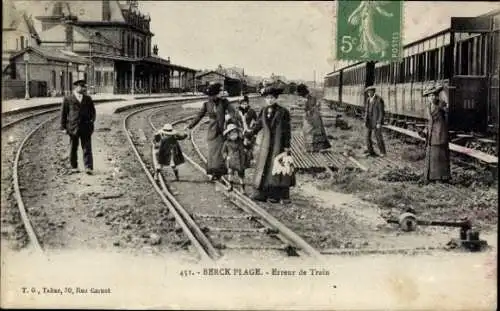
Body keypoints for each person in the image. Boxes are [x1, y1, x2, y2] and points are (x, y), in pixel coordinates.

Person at [247, 86, 295, 204]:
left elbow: (287, 130)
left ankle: (276, 196)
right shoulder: (263, 111)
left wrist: (287, 146)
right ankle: (261, 194)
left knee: (278, 169)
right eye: (267, 98)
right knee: (264, 168)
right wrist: (249, 133)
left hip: (278, 144)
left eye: (272, 98)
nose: (270, 100)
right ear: (265, 99)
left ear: (276, 98)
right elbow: (258, 125)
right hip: (266, 144)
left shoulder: (283, 112)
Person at [186, 82, 232, 180]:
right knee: (212, 152)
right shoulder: (207, 104)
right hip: (212, 131)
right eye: (219, 92)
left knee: (220, 152)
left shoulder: (224, 102)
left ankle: (219, 172)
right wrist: (190, 126)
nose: (221, 93)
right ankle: (213, 172)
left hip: (222, 130)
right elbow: (199, 116)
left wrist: (232, 123)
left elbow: (233, 113)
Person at [60, 79, 96, 175]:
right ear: (76, 87)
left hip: (86, 127)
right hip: (73, 127)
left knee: (87, 147)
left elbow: (93, 111)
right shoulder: (68, 98)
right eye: (81, 86)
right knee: (73, 147)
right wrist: (63, 127)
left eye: (84, 86)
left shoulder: (88, 99)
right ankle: (74, 166)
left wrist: (92, 121)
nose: (83, 88)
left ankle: (88, 167)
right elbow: (64, 113)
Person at [420, 85, 450, 184]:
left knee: (439, 155)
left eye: (433, 95)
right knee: (432, 156)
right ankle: (430, 177)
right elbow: (429, 122)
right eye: (429, 96)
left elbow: (447, 110)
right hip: (431, 134)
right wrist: (424, 131)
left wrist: (443, 94)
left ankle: (441, 177)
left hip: (440, 134)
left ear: (437, 96)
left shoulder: (441, 104)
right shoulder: (428, 107)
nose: (431, 97)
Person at [297, 83, 331, 153]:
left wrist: (307, 112)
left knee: (311, 132)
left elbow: (312, 108)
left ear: (302, 93)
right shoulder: (308, 98)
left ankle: (313, 148)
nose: (301, 96)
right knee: (310, 132)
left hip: (313, 117)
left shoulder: (310, 99)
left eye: (301, 94)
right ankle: (312, 148)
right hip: (311, 116)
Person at [221, 124, 247, 192]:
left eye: (235, 133)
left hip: (239, 161)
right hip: (231, 161)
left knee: (241, 175)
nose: (234, 135)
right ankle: (230, 185)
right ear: (229, 135)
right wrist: (226, 157)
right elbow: (223, 151)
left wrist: (244, 159)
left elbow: (243, 151)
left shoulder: (240, 142)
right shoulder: (226, 143)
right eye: (232, 134)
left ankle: (242, 187)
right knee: (230, 173)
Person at [364, 85, 386, 157]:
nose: (369, 93)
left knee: (378, 137)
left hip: (376, 121)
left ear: (373, 92)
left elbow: (381, 112)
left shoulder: (379, 99)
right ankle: (371, 151)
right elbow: (366, 111)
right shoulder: (368, 99)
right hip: (369, 121)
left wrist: (379, 122)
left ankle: (383, 152)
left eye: (370, 92)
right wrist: (365, 121)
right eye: (368, 92)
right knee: (367, 137)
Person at [237, 95, 258, 166]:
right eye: (242, 104)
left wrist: (253, 128)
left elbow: (257, 121)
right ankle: (243, 160)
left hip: (249, 131)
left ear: (248, 103)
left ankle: (250, 159)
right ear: (239, 104)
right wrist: (239, 128)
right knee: (241, 146)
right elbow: (235, 121)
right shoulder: (237, 112)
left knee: (249, 145)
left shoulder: (251, 111)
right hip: (240, 131)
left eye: (246, 104)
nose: (244, 106)